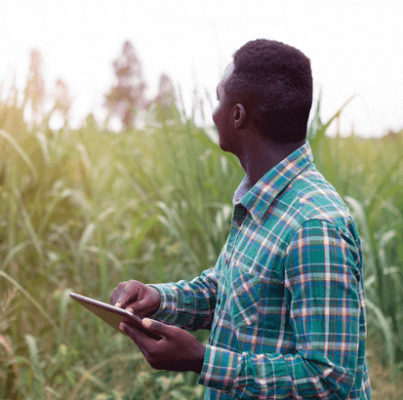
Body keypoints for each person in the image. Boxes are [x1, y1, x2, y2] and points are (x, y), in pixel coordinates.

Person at [110, 39, 371, 399]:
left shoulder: (315, 227)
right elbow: (233, 292)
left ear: (237, 115)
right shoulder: (261, 197)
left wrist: (203, 361)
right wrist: (157, 299)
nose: (213, 113)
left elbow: (329, 378)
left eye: (219, 99)